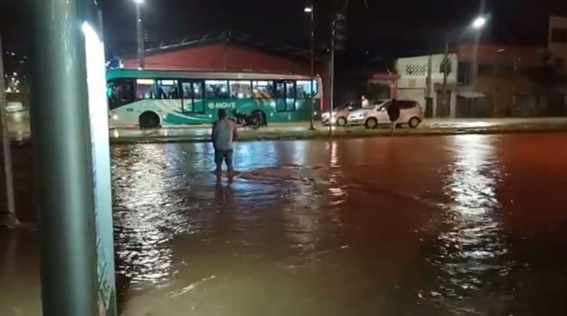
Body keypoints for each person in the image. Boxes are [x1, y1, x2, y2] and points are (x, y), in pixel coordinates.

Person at [211, 108, 238, 182]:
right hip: (229, 147)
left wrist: (214, 145)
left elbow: (213, 136)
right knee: (230, 165)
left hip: (219, 147)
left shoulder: (216, 124)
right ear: (226, 115)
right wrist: (231, 142)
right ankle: (230, 183)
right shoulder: (232, 123)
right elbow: (236, 135)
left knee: (218, 167)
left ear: (218, 115)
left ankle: (218, 183)